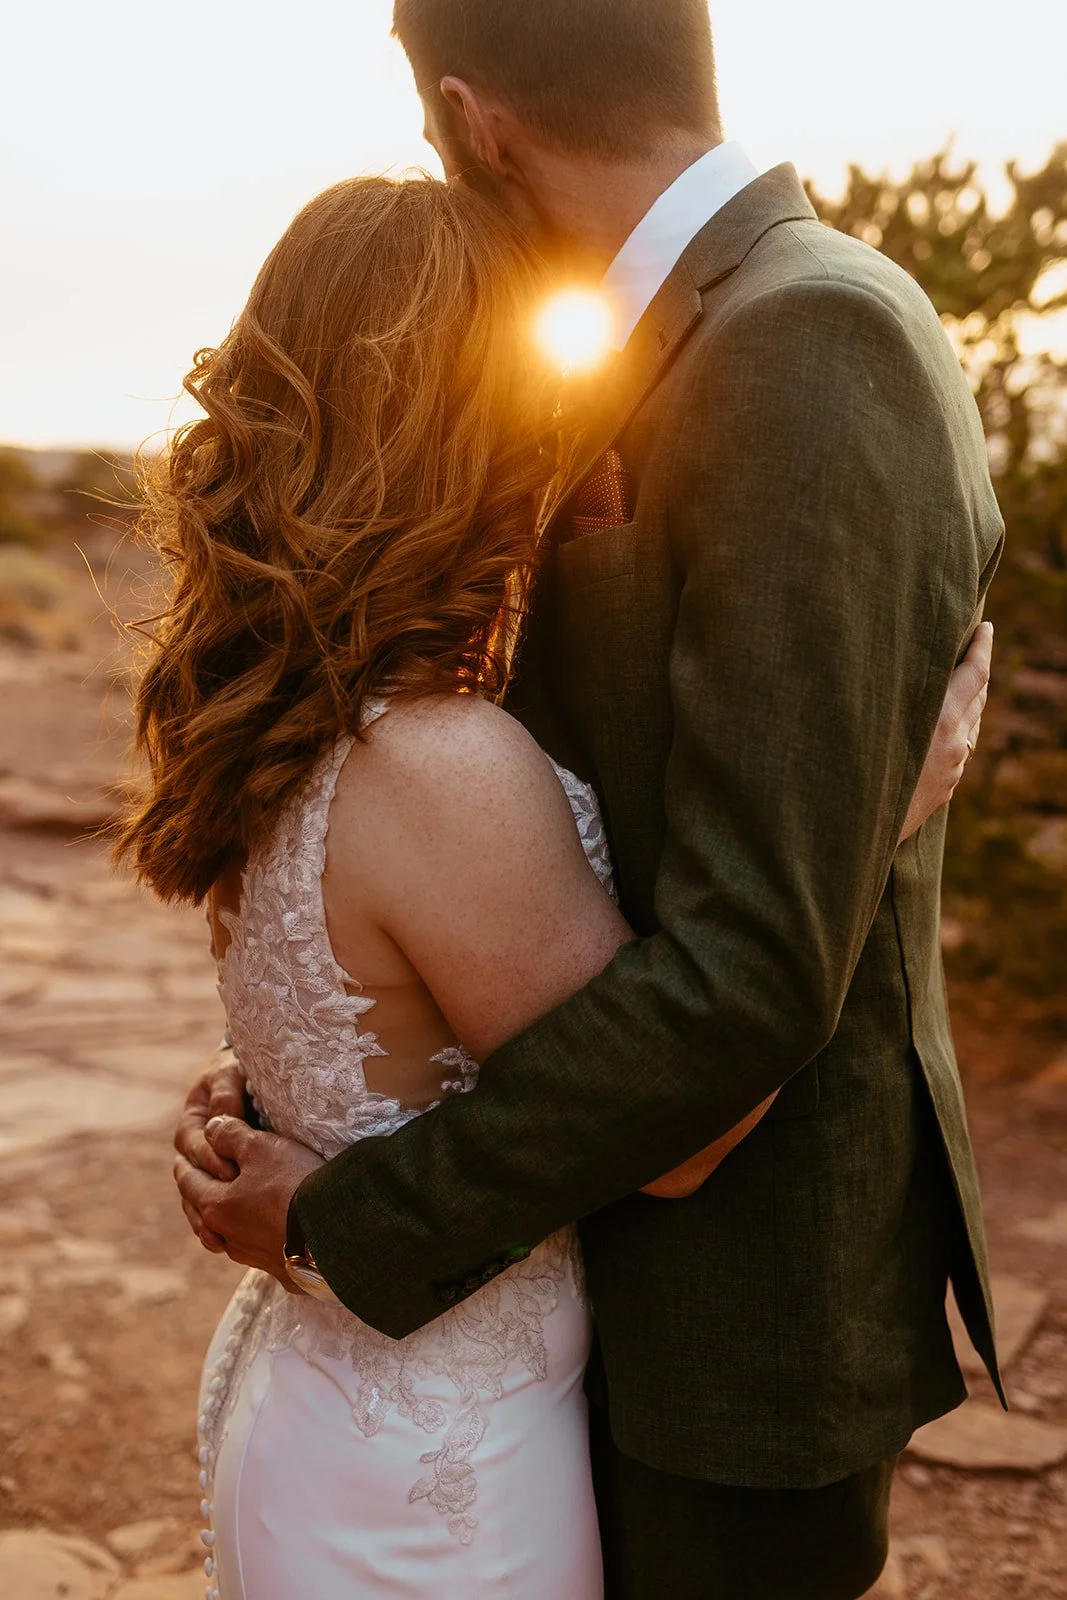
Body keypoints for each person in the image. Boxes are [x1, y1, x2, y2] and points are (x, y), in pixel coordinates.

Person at [167, 3, 1004, 1596]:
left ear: (475, 124)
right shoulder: (671, 332)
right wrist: (330, 1063)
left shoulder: (807, 336)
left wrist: (350, 1210)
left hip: (728, 1323)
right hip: (570, 1269)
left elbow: (755, 959)